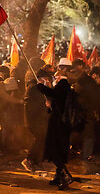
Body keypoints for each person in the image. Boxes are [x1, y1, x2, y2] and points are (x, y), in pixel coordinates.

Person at [36, 58, 74, 190]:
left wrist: (41, 87)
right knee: (57, 148)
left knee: (54, 149)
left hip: (59, 123)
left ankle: (65, 175)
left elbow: (55, 95)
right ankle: (58, 176)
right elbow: (57, 100)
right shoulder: (64, 85)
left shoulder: (63, 84)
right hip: (60, 121)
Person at [22, 69, 51, 172]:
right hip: (34, 119)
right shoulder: (34, 88)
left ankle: (36, 161)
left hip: (40, 119)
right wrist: (44, 103)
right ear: (40, 78)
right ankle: (28, 159)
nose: (47, 81)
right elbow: (31, 105)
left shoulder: (40, 88)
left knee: (42, 140)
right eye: (45, 79)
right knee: (38, 139)